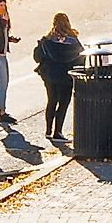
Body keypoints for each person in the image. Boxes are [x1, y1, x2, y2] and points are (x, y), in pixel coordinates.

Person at [31, 11, 83, 141]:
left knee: (51, 100)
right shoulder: (73, 41)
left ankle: (48, 130)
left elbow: (37, 57)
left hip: (50, 75)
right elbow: (81, 58)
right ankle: (57, 131)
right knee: (63, 103)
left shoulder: (47, 40)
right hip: (66, 76)